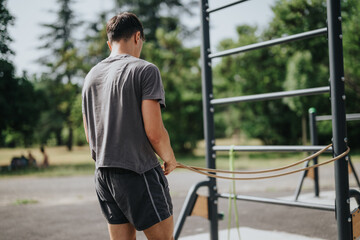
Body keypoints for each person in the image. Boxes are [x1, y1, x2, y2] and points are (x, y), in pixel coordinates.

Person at [82, 12, 177, 240]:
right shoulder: (146, 70)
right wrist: (169, 157)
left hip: (104, 174)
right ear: (137, 37)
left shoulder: (91, 76)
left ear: (109, 43)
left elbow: (90, 136)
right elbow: (155, 132)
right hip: (138, 171)